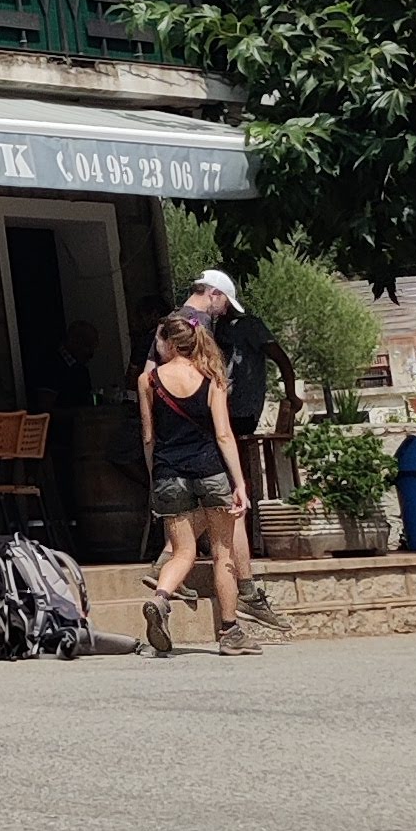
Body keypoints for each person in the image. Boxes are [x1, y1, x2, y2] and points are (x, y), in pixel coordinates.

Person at [177, 268, 296, 634]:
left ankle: (175, 562)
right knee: (229, 498)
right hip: (222, 414)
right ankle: (235, 588)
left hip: (233, 412)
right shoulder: (200, 325)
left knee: (226, 497)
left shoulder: (226, 326)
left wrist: (291, 390)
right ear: (214, 295)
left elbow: (280, 357)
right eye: (224, 301)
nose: (225, 309)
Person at [139, 309, 254, 656]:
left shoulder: (148, 381)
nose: (157, 347)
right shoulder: (212, 377)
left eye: (159, 341)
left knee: (182, 551)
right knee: (222, 552)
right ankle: (230, 632)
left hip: (169, 474)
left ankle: (160, 599)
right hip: (210, 471)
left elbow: (148, 437)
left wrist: (155, 475)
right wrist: (239, 483)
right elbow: (223, 434)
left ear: (171, 344)